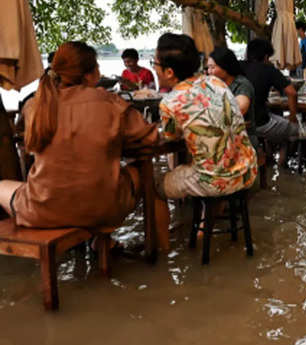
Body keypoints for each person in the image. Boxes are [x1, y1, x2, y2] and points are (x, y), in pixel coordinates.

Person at [0, 42, 158, 227]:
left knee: (2, 186)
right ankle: (112, 241)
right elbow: (151, 138)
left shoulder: (35, 106)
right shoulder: (110, 102)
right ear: (92, 74)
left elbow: (28, 142)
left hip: (42, 210)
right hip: (102, 209)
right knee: (137, 169)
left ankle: (13, 244)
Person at [153, 33, 257, 200]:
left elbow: (171, 137)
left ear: (169, 72)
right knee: (204, 164)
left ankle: (173, 224)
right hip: (247, 170)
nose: (154, 68)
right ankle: (204, 224)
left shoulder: (169, 103)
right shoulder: (216, 82)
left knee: (155, 186)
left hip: (216, 182)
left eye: (155, 63)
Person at [240, 38, 299, 145]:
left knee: (279, 124)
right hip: (260, 123)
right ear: (266, 56)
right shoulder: (269, 70)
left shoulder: (238, 67)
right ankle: (281, 158)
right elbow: (292, 93)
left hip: (238, 123)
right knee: (295, 130)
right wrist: (293, 117)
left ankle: (268, 153)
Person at [207, 47, 259, 149]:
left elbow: (239, 109)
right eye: (208, 68)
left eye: (213, 67)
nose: (209, 72)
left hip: (243, 139)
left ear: (225, 67)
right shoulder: (214, 85)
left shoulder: (242, 84)